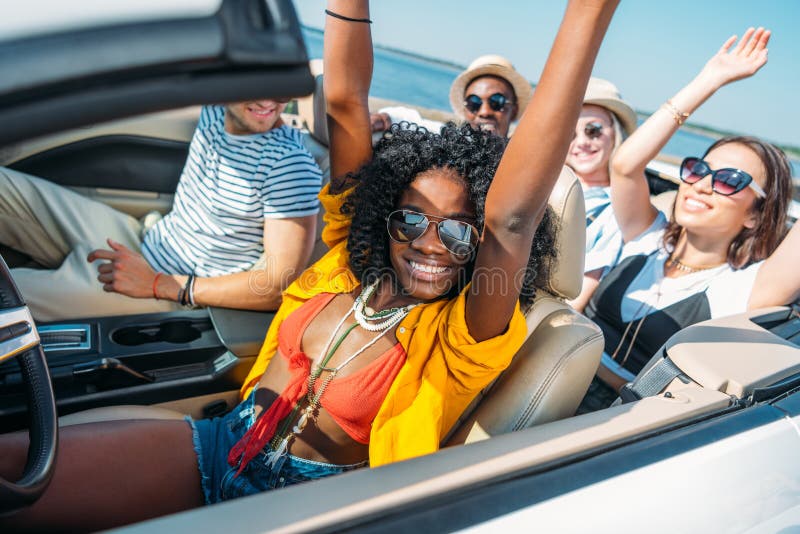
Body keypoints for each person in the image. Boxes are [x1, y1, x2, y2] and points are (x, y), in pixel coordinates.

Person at [0, 0, 619, 530]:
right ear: (385, 216)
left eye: (459, 231)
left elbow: (513, 217)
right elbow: (346, 102)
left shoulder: (462, 334)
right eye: (410, 218)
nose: (430, 244)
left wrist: (588, 12)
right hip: (221, 443)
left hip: (302, 503)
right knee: (19, 474)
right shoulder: (349, 269)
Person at [579, 27, 800, 410]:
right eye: (699, 170)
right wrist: (711, 78)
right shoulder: (644, 236)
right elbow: (625, 164)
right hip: (546, 380)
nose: (703, 185)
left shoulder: (742, 291)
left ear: (755, 216)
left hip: (610, 424)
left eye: (730, 180)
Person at [0, 100, 323, 321]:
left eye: (282, 85)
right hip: (144, 236)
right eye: (257, 80)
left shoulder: (289, 165)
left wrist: (161, 284)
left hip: (169, 291)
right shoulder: (215, 107)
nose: (270, 99)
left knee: (6, 300)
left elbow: (275, 285)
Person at [565, 77, 638, 311]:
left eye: (593, 130)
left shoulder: (616, 208)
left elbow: (578, 296)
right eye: (571, 133)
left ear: (615, 135)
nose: (582, 142)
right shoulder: (548, 183)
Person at [370, 54, 533, 138]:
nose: (484, 112)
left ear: (514, 110)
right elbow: (414, 122)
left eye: (496, 101)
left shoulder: (517, 156)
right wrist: (383, 119)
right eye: (474, 102)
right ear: (465, 110)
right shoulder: (456, 139)